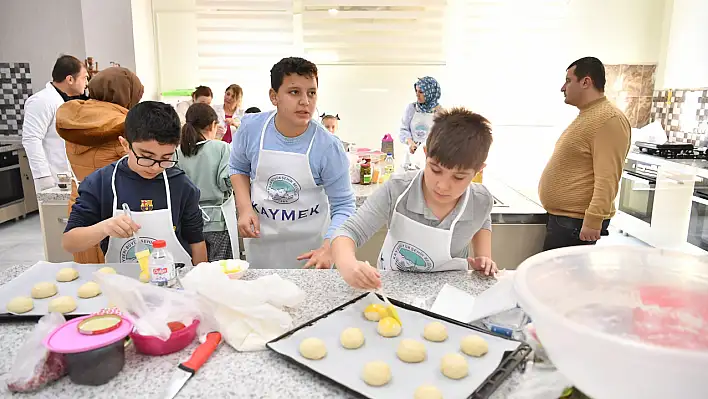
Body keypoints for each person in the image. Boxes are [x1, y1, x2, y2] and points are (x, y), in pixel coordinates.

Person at [332, 108, 497, 289]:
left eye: (458, 177)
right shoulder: (397, 189)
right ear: (426, 153)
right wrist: (348, 265)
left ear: (478, 170)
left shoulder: (480, 199)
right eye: (435, 169)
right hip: (392, 289)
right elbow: (348, 232)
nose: (442, 185)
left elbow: (482, 219)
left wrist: (485, 259)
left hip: (448, 294)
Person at [229, 57, 355, 269]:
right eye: (294, 92)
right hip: (262, 247)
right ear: (274, 96)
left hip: (311, 254)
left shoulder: (328, 147)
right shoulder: (251, 129)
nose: (305, 101)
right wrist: (244, 208)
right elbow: (238, 167)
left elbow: (344, 205)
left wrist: (331, 245)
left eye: (311, 93)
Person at [62, 101, 207, 265]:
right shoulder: (100, 183)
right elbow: (69, 242)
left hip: (175, 283)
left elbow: (196, 241)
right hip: (123, 283)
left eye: (165, 158)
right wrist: (104, 228)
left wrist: (198, 280)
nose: (154, 167)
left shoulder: (181, 185)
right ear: (125, 145)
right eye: (146, 157)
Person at [538, 57, 631, 251]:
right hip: (566, 220)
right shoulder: (589, 114)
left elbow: (608, 177)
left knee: (563, 280)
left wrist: (594, 220)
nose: (563, 87)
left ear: (586, 82)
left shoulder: (609, 119)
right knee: (556, 279)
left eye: (568, 80)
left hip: (576, 223)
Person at [56, 67, 144, 264]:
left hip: (80, 202)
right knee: (117, 272)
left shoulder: (74, 119)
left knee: (89, 272)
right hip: (114, 209)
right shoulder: (124, 126)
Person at [177, 103, 236, 262]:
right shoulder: (222, 148)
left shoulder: (177, 151)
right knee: (221, 273)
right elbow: (226, 183)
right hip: (218, 223)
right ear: (213, 125)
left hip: (187, 223)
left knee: (196, 272)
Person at [22, 55, 89, 192]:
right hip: (52, 178)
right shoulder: (41, 101)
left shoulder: (68, 101)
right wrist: (43, 177)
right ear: (70, 79)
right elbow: (31, 139)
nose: (86, 82)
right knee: (56, 213)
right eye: (84, 77)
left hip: (70, 176)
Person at [399, 76, 442, 170]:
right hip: (410, 156)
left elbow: (442, 137)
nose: (417, 95)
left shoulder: (440, 112)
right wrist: (410, 143)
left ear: (430, 93)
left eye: (421, 92)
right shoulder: (411, 108)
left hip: (429, 157)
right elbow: (403, 129)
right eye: (416, 91)